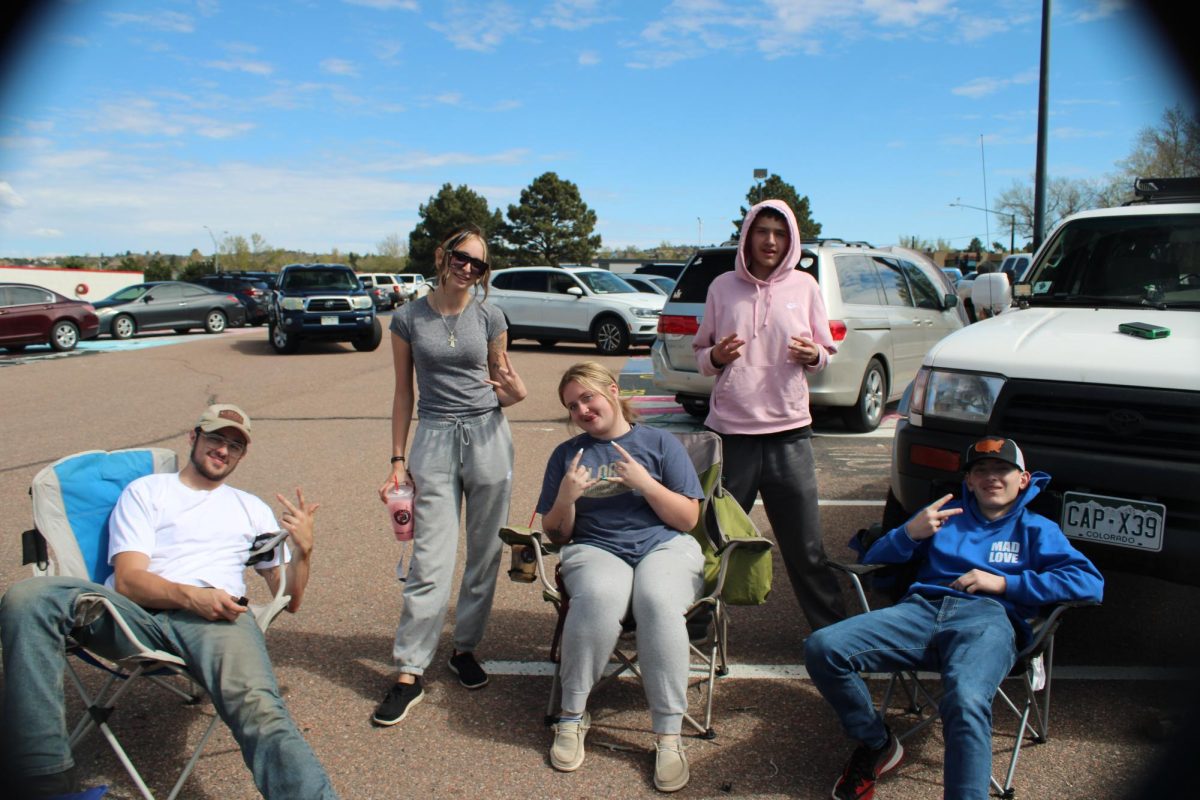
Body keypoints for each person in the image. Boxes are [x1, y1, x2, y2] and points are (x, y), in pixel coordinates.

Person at [0, 403, 336, 799]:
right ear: (194, 437)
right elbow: (127, 580)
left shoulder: (251, 509)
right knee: (26, 597)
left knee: (260, 709)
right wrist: (191, 596)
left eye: (235, 445)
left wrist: (304, 552)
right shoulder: (147, 491)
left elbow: (289, 599)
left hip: (217, 620)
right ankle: (42, 784)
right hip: (131, 616)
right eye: (215, 438)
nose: (223, 451)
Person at [804, 436, 1105, 800]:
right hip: (920, 612)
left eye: (1002, 470)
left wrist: (1004, 583)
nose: (991, 477)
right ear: (969, 481)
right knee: (824, 646)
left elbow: (1089, 584)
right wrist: (909, 533)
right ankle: (877, 741)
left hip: (988, 620)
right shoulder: (947, 519)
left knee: (965, 698)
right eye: (981, 470)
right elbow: (871, 558)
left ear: (1023, 479)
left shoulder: (1038, 529)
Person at [373, 224, 526, 726]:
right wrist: (398, 459)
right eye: (461, 258)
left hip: (488, 435)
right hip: (434, 439)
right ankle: (409, 670)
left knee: (484, 553)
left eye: (478, 264)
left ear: (485, 273)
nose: (467, 268)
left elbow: (501, 382)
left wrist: (515, 393)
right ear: (443, 256)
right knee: (430, 560)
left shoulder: (491, 315)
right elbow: (402, 394)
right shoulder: (407, 318)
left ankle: (464, 648)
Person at [537, 361, 705, 793]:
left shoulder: (660, 442)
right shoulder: (567, 456)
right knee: (598, 597)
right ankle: (571, 717)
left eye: (588, 397)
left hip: (663, 545)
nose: (583, 410)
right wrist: (567, 497)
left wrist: (646, 484)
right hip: (595, 547)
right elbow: (556, 532)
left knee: (658, 600)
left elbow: (687, 519)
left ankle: (668, 735)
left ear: (612, 391)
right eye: (573, 405)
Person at [691, 198, 845, 632]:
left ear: (791, 238)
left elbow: (825, 353)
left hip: (789, 435)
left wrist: (813, 353)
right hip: (731, 436)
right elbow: (701, 354)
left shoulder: (805, 288)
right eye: (763, 231)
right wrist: (716, 356)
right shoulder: (722, 286)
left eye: (780, 232)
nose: (771, 241)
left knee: (806, 548)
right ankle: (694, 629)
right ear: (747, 236)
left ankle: (835, 633)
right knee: (713, 541)